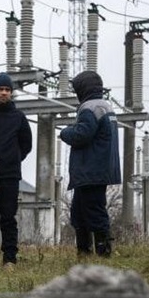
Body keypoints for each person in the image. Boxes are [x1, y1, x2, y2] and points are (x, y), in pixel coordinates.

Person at [59, 70, 121, 257]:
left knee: (94, 212)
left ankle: (103, 253)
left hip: (90, 171)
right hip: (99, 170)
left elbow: (81, 134)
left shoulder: (89, 108)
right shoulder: (105, 106)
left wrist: (65, 132)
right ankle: (85, 253)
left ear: (82, 89)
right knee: (79, 212)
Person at [0, 72, 33, 268]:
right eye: (0, 89)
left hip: (10, 175)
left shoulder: (18, 117)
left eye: (7, 90)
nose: (4, 93)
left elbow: (26, 145)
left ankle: (9, 258)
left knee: (8, 217)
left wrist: (13, 159)